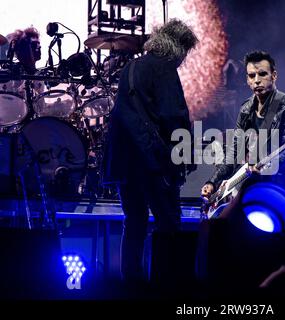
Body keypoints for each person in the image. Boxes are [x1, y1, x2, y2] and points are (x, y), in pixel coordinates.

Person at [102, 19, 198, 286]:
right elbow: (173, 115)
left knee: (134, 222)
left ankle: (131, 284)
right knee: (169, 223)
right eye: (185, 53)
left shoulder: (130, 68)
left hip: (125, 160)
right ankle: (168, 284)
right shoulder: (164, 68)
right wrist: (181, 155)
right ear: (177, 48)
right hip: (154, 162)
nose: (183, 60)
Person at [201, 50, 285, 202]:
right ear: (247, 80)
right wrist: (212, 182)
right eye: (251, 75)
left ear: (274, 76)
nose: (257, 80)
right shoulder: (246, 108)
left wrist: (266, 167)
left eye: (262, 74)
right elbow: (234, 151)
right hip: (250, 181)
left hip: (280, 182)